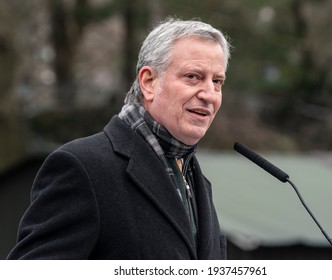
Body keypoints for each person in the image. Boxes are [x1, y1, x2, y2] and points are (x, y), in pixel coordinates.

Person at [7, 17, 231, 260]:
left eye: (217, 81)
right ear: (149, 82)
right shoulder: (83, 167)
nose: (209, 94)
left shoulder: (196, 179)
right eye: (193, 77)